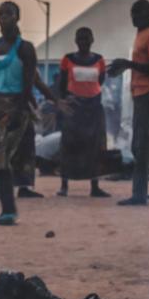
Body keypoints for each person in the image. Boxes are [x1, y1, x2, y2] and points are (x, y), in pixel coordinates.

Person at [0, 0, 67, 226]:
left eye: (8, 13)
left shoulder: (25, 49)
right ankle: (7, 202)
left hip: (14, 106)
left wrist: (20, 109)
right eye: (0, 14)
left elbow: (29, 82)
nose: (3, 18)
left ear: (17, 17)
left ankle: (8, 209)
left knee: (2, 156)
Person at [109, 0, 149, 206]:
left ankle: (139, 194)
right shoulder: (142, 35)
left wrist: (128, 64)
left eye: (139, 13)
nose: (135, 17)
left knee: (141, 145)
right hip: (146, 92)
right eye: (133, 13)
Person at [55, 27, 109, 197]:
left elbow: (100, 81)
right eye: (80, 38)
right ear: (75, 40)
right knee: (69, 145)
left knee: (95, 146)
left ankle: (95, 186)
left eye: (86, 38)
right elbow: (62, 84)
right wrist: (64, 102)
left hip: (94, 108)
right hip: (74, 108)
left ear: (92, 40)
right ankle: (64, 185)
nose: (83, 42)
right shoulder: (67, 59)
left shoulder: (100, 60)